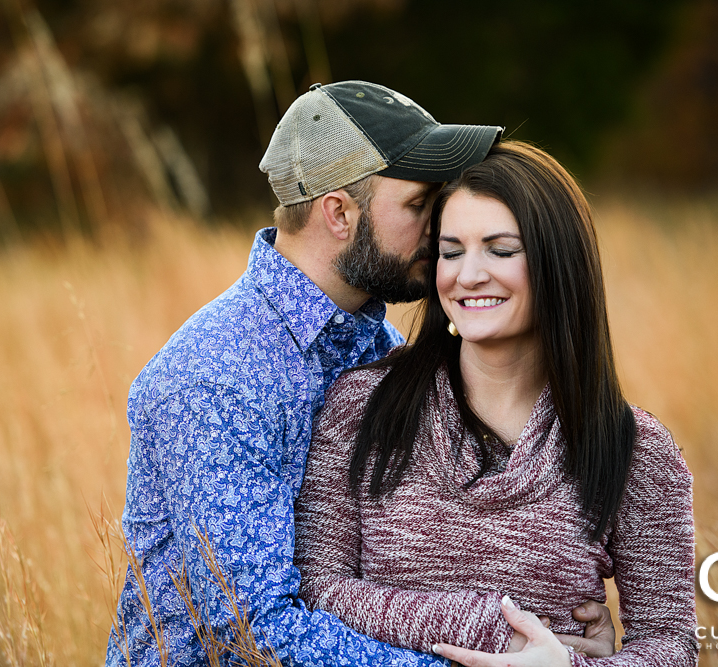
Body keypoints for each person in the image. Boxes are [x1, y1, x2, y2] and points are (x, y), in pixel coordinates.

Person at [106, 81, 612, 667]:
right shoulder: (216, 376)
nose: (441, 231)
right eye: (420, 206)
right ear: (340, 213)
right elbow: (249, 631)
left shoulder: (381, 346)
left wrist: (556, 631)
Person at [294, 141, 698, 667]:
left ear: (557, 263)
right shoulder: (362, 407)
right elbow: (317, 590)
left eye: (500, 250)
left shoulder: (634, 448)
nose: (468, 275)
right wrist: (488, 629)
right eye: (451, 250)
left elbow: (671, 643)